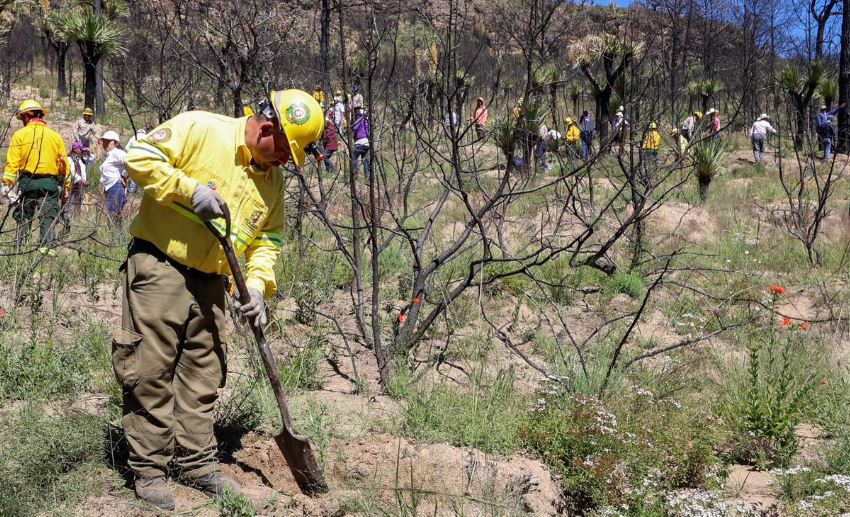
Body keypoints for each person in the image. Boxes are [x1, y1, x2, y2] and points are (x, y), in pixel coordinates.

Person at [117, 89, 324, 510]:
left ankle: (196, 464)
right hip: (161, 265)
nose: (286, 161)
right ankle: (150, 470)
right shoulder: (201, 128)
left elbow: (268, 238)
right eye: (285, 150)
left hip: (213, 282)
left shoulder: (273, 181)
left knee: (203, 374)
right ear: (268, 128)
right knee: (150, 370)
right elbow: (139, 157)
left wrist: (259, 286)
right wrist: (188, 190)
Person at [2, 99, 68, 251]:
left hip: (27, 182)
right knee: (48, 217)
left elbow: (12, 163)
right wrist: (66, 186)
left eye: (22, 118)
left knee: (24, 216)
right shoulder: (55, 137)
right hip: (50, 183)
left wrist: (6, 184)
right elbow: (64, 165)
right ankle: (47, 250)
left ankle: (20, 249)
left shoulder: (19, 135)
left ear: (26, 116)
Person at [100, 130, 128, 224]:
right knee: (114, 218)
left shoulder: (118, 153)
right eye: (104, 141)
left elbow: (128, 162)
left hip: (116, 187)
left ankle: (116, 234)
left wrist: (124, 176)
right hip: (111, 188)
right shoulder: (110, 155)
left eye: (108, 141)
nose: (105, 143)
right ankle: (117, 234)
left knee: (112, 217)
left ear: (116, 143)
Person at [63, 142, 88, 230]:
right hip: (71, 186)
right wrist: (81, 180)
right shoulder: (69, 159)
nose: (81, 151)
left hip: (79, 186)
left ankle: (75, 223)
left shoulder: (79, 160)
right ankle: (68, 225)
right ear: (75, 149)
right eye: (80, 149)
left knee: (78, 205)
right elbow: (71, 172)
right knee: (70, 205)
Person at [351, 107, 371, 177]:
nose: (356, 117)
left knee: (353, 156)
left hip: (360, 142)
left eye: (357, 115)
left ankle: (355, 172)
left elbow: (354, 128)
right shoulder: (367, 122)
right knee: (365, 160)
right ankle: (367, 175)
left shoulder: (360, 121)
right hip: (367, 143)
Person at [321, 109, 338, 174]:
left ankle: (333, 170)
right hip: (329, 145)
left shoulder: (331, 127)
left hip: (331, 145)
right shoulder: (328, 127)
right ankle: (328, 171)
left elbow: (328, 137)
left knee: (325, 158)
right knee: (326, 158)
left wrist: (323, 139)